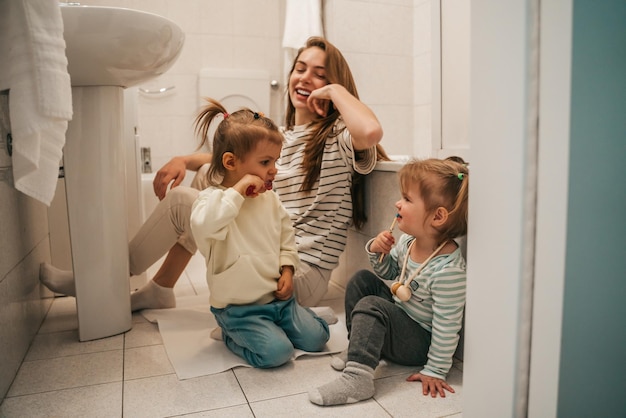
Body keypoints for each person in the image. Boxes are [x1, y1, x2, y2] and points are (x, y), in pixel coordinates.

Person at [41, 36, 387, 311]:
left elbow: (370, 131)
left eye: (320, 74)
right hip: (270, 255)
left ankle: (99, 280)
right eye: (300, 68)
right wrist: (186, 160)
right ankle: (160, 288)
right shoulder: (285, 136)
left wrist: (335, 91)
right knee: (209, 180)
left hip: (298, 275)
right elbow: (231, 162)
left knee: (182, 203)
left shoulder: (334, 135)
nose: (306, 78)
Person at [308, 157, 469, 406]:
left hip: (418, 342)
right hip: (400, 317)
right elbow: (388, 272)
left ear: (437, 217)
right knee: (362, 280)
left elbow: (447, 327)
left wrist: (435, 370)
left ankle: (358, 378)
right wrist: (377, 249)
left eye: (407, 199)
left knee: (372, 305)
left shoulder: (448, 270)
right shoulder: (408, 242)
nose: (397, 203)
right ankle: (358, 349)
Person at [188, 98, 329, 368]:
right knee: (277, 354)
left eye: (275, 160)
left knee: (318, 338)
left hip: (278, 302)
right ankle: (231, 333)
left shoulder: (271, 200)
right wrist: (238, 192)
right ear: (231, 162)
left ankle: (290, 323)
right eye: (266, 162)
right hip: (239, 310)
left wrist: (287, 269)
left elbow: (286, 239)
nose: (274, 169)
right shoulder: (210, 200)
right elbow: (205, 225)